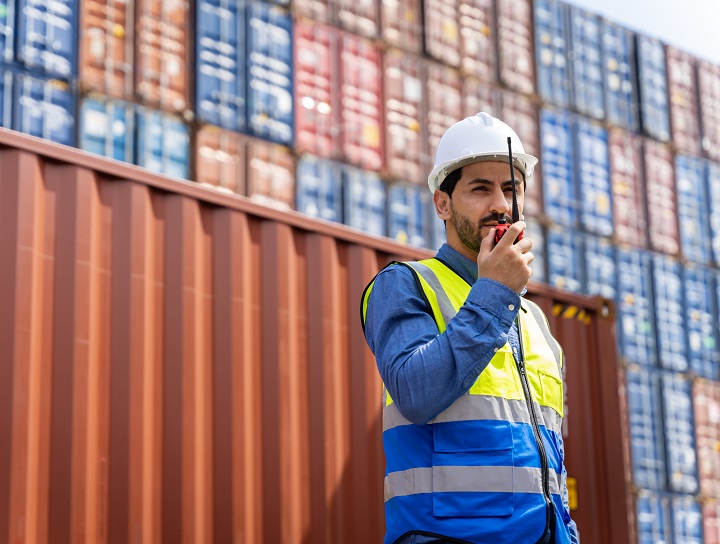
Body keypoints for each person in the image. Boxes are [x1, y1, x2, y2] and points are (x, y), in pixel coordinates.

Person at [361, 112, 579, 544]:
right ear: (443, 203)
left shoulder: (533, 319)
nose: (500, 203)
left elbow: (550, 460)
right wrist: (495, 291)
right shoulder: (405, 284)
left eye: (510, 189)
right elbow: (416, 394)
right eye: (480, 188)